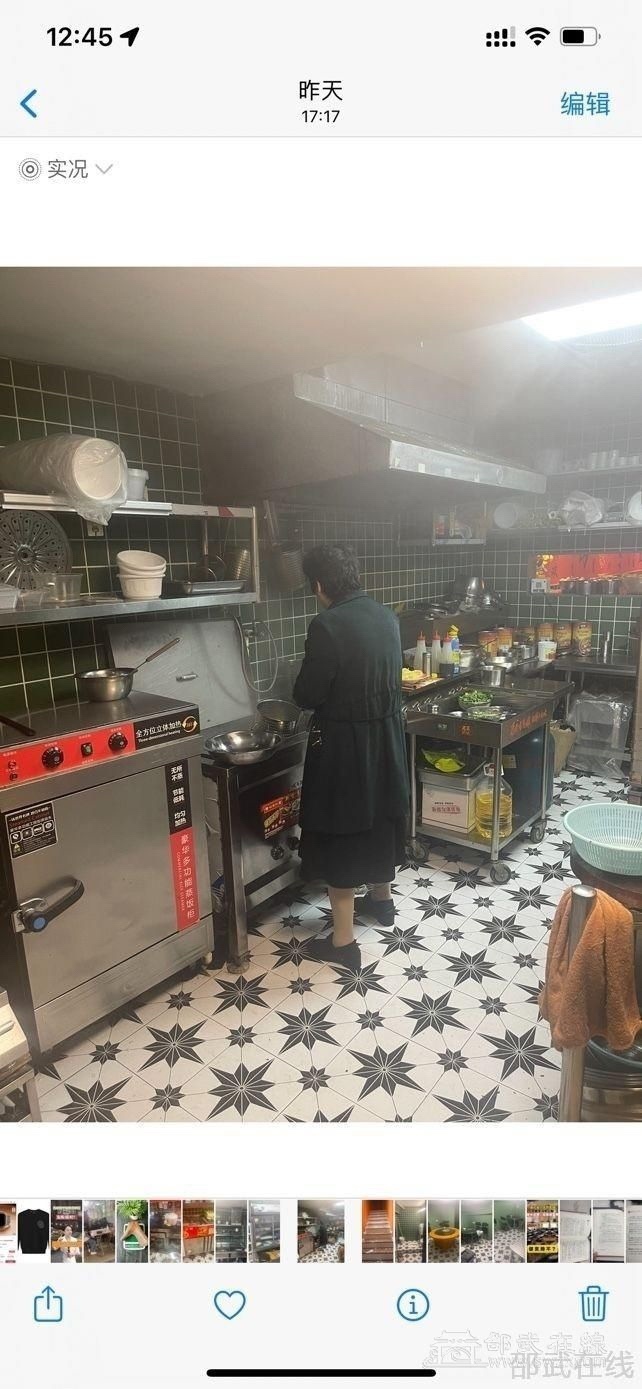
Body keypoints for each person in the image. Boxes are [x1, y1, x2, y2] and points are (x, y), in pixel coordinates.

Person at [293, 544, 409, 967]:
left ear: (318, 584)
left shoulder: (327, 624)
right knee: (380, 816)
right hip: (386, 738)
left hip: (345, 746)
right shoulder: (386, 616)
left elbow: (308, 694)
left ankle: (343, 943)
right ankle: (381, 900)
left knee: (339, 830)